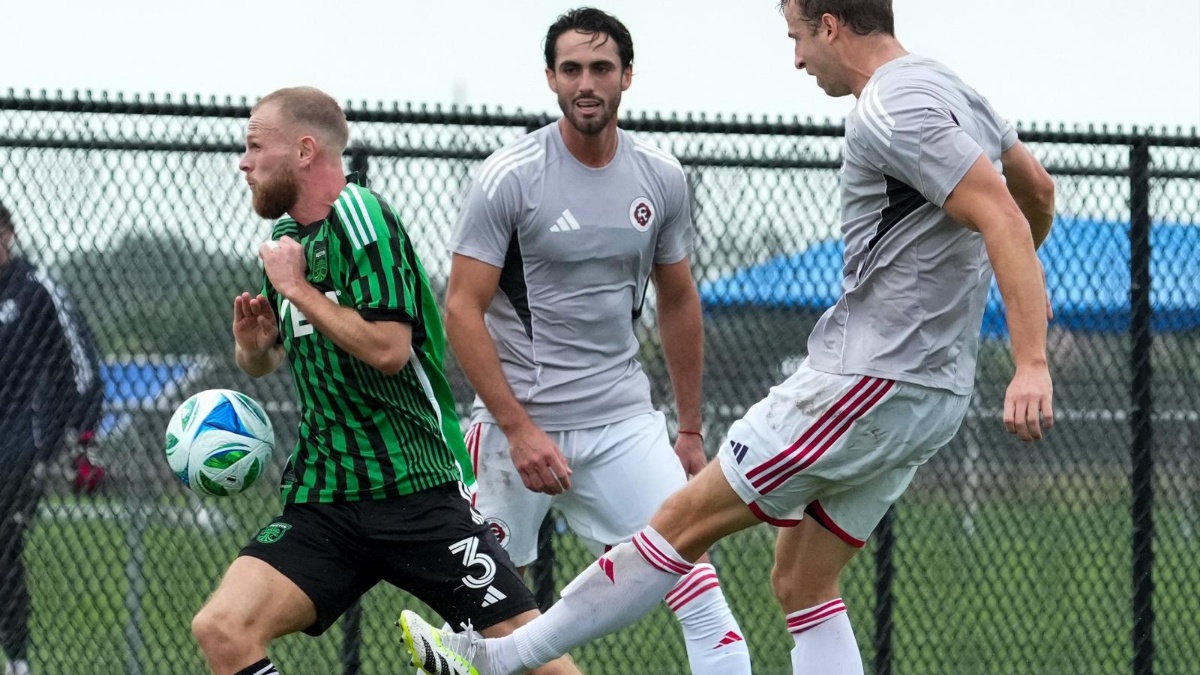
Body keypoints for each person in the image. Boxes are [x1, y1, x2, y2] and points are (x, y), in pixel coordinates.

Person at [398, 0, 1057, 673]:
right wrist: (997, 283)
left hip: (866, 376)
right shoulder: (953, 86)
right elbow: (1035, 189)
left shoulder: (887, 106)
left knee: (679, 525)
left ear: (830, 25)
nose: (797, 57)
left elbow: (1003, 212)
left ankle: (497, 659)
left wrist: (1031, 358)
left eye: (797, 36)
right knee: (802, 579)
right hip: (933, 391)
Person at [189, 87, 578, 675]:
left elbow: (390, 349)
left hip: (415, 494)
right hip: (326, 499)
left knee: (533, 656)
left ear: (304, 149)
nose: (243, 162)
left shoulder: (362, 216)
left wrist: (298, 290)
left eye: (254, 145)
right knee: (222, 629)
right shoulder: (288, 245)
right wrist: (253, 347)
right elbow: (269, 361)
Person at [441, 7, 751, 674]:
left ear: (627, 77)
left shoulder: (661, 177)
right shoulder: (508, 177)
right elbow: (461, 310)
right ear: (551, 78)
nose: (588, 82)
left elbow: (678, 299)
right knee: (477, 621)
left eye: (602, 68)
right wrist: (519, 429)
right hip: (508, 433)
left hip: (623, 425)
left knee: (702, 598)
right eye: (573, 68)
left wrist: (690, 426)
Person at [1, 200, 106, 675]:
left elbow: (79, 363)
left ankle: (18, 658)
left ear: (9, 235)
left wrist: (81, 437)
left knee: (4, 549)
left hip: (19, 444)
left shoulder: (35, 291)